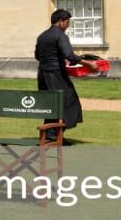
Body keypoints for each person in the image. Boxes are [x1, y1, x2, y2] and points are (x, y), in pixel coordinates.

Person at [35, 8, 99, 142]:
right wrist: (90, 64)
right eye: (67, 22)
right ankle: (54, 135)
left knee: (51, 104)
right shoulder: (60, 35)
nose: (68, 26)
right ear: (60, 21)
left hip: (42, 75)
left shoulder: (42, 36)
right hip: (56, 75)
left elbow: (37, 56)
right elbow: (70, 56)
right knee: (70, 102)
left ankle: (50, 134)